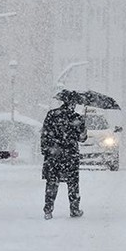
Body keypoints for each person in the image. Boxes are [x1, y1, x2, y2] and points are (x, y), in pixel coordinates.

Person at [40, 90, 87, 220]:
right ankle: (74, 209)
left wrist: (45, 150)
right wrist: (83, 130)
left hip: (53, 154)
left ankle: (48, 210)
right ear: (73, 103)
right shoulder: (77, 118)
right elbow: (82, 138)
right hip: (70, 155)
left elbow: (44, 134)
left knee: (52, 182)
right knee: (73, 183)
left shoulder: (52, 114)